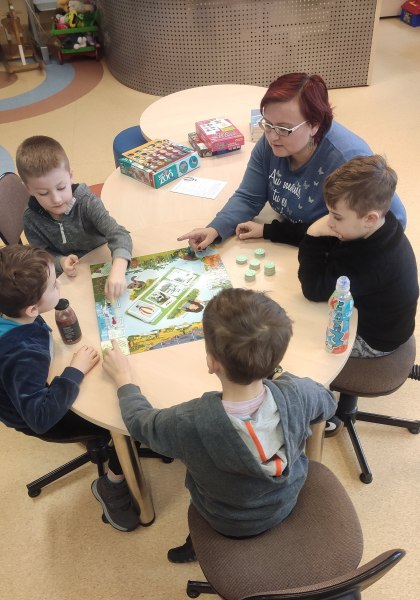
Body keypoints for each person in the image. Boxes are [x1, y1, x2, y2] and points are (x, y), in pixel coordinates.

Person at [102, 287, 337, 562]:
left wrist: (124, 380)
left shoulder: (188, 422)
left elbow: (138, 423)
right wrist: (281, 376)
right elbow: (327, 403)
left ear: (212, 363)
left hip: (227, 521)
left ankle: (199, 545)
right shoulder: (298, 393)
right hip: (286, 500)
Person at [178, 73, 406, 251]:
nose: (272, 136)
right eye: (267, 124)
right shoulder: (271, 143)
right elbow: (249, 196)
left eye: (284, 129)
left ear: (314, 125)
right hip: (293, 240)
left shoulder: (347, 159)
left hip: (327, 248)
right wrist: (215, 229)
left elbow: (394, 218)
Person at [0, 245, 139, 532]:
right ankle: (111, 485)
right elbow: (40, 418)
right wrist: (75, 371)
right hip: (43, 416)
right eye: (54, 285)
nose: (59, 285)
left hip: (30, 389)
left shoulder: (14, 313)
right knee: (127, 419)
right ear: (32, 310)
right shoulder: (24, 354)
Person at [298, 155, 418, 432]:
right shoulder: (381, 226)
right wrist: (270, 231)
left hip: (376, 339)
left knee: (295, 337)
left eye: (336, 217)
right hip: (384, 318)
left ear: (369, 218)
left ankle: (323, 411)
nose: (330, 222)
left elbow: (312, 288)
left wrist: (311, 235)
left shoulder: (371, 262)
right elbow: (335, 238)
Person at [16, 135, 132, 302]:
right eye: (43, 193)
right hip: (70, 278)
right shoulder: (31, 218)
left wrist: (119, 270)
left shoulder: (86, 202)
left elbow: (119, 234)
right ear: (28, 189)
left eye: (61, 187)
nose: (56, 199)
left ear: (70, 176)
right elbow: (40, 255)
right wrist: (60, 261)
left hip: (102, 259)